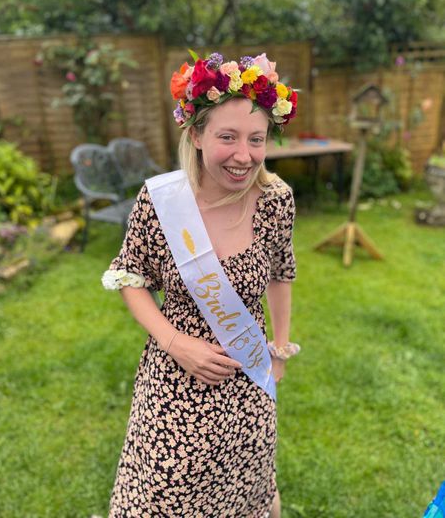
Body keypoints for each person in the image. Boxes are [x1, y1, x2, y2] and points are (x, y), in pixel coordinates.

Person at [102, 52, 300, 517]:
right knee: (163, 496)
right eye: (227, 137)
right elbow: (131, 276)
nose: (243, 155)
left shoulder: (276, 200)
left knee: (243, 490)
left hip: (247, 383)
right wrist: (175, 342)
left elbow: (281, 272)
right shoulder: (160, 200)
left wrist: (280, 348)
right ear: (195, 134)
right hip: (174, 383)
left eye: (256, 139)